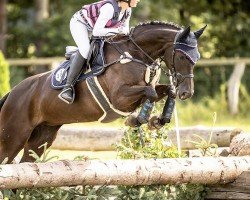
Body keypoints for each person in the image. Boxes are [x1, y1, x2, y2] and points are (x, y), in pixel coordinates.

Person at [58, 0, 140, 104]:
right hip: (80, 24)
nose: (138, 0)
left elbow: (125, 31)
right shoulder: (109, 8)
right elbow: (97, 31)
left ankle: (75, 54)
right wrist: (118, 31)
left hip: (96, 27)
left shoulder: (127, 10)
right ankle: (67, 87)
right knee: (86, 50)